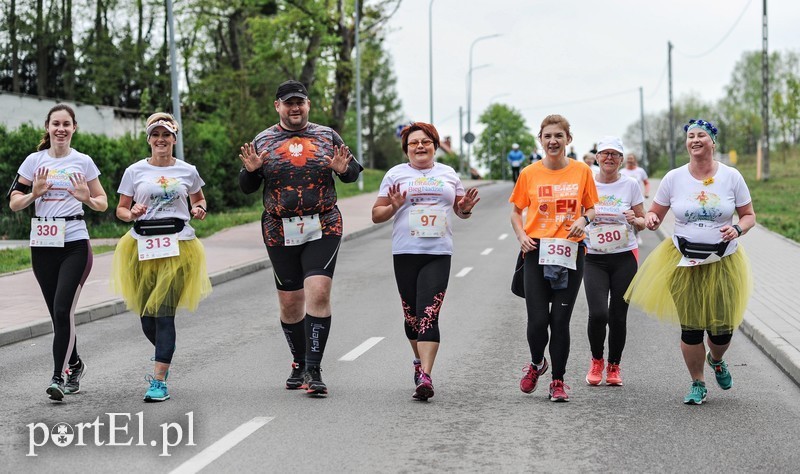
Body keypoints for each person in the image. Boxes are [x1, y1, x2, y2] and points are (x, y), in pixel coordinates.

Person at [238, 79, 362, 396]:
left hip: (324, 223)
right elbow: (247, 187)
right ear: (278, 106)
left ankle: (314, 369)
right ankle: (299, 361)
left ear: (308, 105)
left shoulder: (327, 136)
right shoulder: (263, 139)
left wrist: (342, 169)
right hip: (279, 228)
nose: (295, 108)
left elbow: (352, 173)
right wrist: (251, 171)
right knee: (291, 303)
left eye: (300, 102)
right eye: (288, 103)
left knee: (317, 292)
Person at [625, 119, 755, 405]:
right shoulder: (674, 178)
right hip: (683, 260)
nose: (695, 140)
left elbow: (748, 215)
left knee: (721, 331)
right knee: (691, 327)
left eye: (701, 136)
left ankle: (717, 359)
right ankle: (697, 382)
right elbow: (655, 214)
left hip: (723, 261)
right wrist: (650, 219)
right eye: (690, 136)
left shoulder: (731, 176)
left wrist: (738, 228)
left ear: (712, 142)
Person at [371, 122, 479, 401]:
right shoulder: (395, 174)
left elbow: (460, 209)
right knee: (412, 318)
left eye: (426, 142)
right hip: (405, 251)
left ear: (434, 145)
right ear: (406, 149)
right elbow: (377, 215)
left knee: (429, 314)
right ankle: (418, 361)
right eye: (414, 143)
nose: (420, 146)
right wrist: (393, 206)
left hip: (438, 253)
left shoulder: (448, 173)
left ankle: (426, 376)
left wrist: (465, 209)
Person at [8, 104, 108, 401]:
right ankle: (75, 364)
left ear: (74, 128)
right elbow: (14, 203)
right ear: (48, 128)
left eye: (66, 124)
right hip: (43, 245)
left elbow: (103, 202)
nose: (61, 129)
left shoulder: (83, 162)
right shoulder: (33, 161)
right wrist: (34, 195)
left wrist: (87, 198)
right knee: (57, 313)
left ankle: (58, 377)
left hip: (75, 243)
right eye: (56, 124)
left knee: (64, 309)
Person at [112, 112, 212, 402]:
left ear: (174, 139)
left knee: (164, 315)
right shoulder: (134, 171)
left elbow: (199, 199)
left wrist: (199, 209)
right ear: (149, 139)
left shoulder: (187, 170)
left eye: (166, 135)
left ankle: (158, 381)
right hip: (141, 245)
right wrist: (130, 213)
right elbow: (120, 209)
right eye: (155, 135)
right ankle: (165, 354)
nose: (160, 140)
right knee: (147, 318)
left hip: (178, 245)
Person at [509, 114, 598, 402]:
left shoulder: (582, 171)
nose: (553, 141)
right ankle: (537, 364)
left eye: (558, 135)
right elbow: (515, 211)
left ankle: (558, 381)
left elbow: (592, 208)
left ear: (568, 140)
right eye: (547, 136)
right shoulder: (529, 173)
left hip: (570, 252)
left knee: (559, 321)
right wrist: (521, 235)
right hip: (535, 250)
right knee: (537, 321)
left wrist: (584, 220)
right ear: (541, 140)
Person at [582, 136, 645, 387]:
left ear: (621, 160)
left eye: (615, 155)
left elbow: (643, 221)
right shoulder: (586, 183)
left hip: (624, 257)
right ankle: (596, 360)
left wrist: (634, 219)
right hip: (594, 257)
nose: (609, 158)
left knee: (619, 315)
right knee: (598, 313)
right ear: (597, 158)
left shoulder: (630, 185)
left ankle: (614, 365)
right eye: (604, 154)